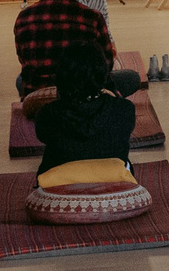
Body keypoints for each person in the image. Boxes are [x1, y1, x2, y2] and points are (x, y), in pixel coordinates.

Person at [14, 0, 137, 96]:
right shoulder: (92, 17)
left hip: (38, 96)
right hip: (82, 95)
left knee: (20, 80)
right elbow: (106, 64)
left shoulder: (24, 17)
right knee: (131, 78)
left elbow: (23, 58)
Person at [28, 43, 140, 175]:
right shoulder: (124, 109)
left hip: (60, 188)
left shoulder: (47, 115)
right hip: (113, 182)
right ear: (103, 73)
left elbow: (44, 136)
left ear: (60, 76)